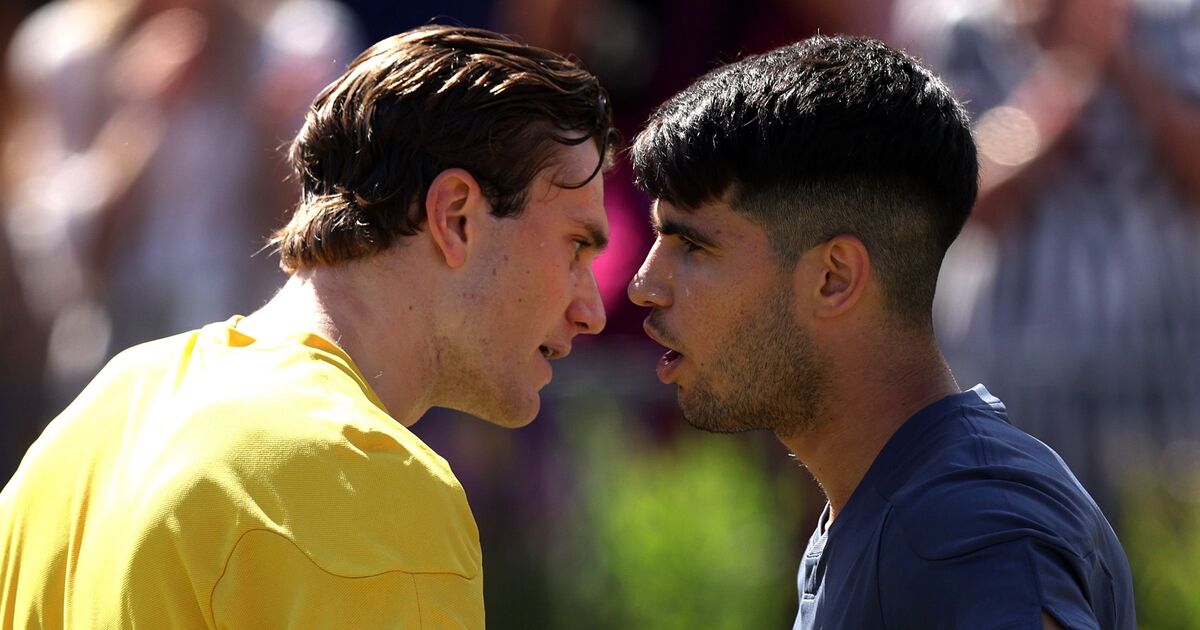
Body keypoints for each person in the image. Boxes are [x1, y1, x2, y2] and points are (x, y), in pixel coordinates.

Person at [0, 24, 613, 628]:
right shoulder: (374, 487)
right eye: (576, 246)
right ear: (455, 217)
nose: (593, 309)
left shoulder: (98, 418)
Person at [626, 34, 1135, 628]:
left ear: (833, 278)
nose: (644, 285)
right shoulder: (903, 507)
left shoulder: (970, 529)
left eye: (692, 244)